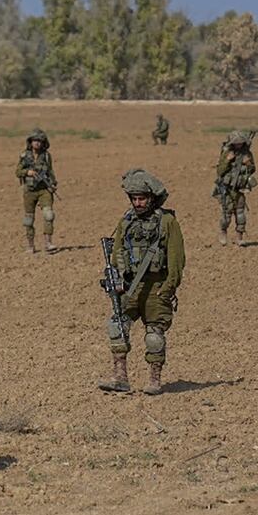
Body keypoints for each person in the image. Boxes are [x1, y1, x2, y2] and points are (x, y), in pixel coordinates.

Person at [98, 169, 185, 396]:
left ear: (152, 198)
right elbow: (117, 253)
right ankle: (120, 377)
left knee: (154, 335)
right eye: (134, 199)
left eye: (142, 198)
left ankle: (155, 380)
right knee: (117, 325)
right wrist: (115, 280)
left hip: (157, 286)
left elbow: (176, 260)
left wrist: (168, 289)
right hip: (130, 287)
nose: (138, 203)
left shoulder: (167, 222)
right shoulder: (126, 222)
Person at [15, 129, 58, 253]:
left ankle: (48, 243)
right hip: (29, 191)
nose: (37, 143)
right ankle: (30, 245)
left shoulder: (46, 155)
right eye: (35, 140)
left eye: (39, 141)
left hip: (44, 190)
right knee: (28, 219)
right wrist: (27, 172)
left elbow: (50, 171)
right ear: (30, 142)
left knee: (48, 215)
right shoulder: (24, 155)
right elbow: (17, 172)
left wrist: (53, 184)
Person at [213, 130, 256, 246]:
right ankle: (223, 233)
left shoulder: (247, 154)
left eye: (240, 143)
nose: (239, 145)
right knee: (226, 214)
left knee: (240, 213)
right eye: (236, 143)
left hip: (240, 188)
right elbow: (220, 171)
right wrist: (227, 160)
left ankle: (239, 236)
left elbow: (252, 169)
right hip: (227, 189)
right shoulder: (226, 153)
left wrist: (248, 164)